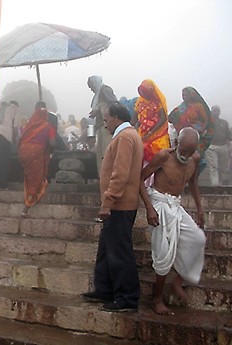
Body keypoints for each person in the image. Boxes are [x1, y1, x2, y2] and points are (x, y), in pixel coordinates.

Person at [81, 102, 142, 313]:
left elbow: (120, 174)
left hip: (120, 205)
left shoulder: (125, 137)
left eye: (106, 120)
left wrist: (108, 201)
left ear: (116, 117)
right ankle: (105, 290)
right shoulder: (126, 135)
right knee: (106, 250)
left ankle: (126, 297)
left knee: (119, 252)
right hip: (118, 204)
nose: (104, 125)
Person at [139, 127, 206, 315]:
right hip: (159, 202)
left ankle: (179, 280)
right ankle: (157, 299)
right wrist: (149, 208)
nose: (185, 155)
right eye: (183, 150)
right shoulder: (163, 156)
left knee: (197, 238)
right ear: (176, 143)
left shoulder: (195, 160)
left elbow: (193, 183)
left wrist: (200, 209)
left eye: (190, 152)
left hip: (176, 205)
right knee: (163, 252)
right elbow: (140, 178)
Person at [17, 101, 56, 217]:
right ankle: (27, 206)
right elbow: (53, 143)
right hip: (37, 152)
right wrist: (49, 151)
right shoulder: (48, 126)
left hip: (23, 153)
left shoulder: (29, 125)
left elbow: (21, 137)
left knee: (29, 177)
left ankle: (32, 196)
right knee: (36, 179)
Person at [168, 86, 215, 173]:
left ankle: (194, 175)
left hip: (196, 135)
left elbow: (206, 120)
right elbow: (171, 117)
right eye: (182, 95)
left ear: (191, 95)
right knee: (182, 156)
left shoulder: (199, 106)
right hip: (184, 135)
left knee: (195, 156)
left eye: (186, 95)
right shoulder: (181, 107)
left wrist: (202, 129)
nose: (184, 96)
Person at [134, 79, 171, 186]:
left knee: (157, 160)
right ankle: (145, 185)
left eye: (146, 91)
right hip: (143, 135)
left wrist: (151, 132)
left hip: (158, 136)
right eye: (142, 91)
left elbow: (163, 118)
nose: (144, 94)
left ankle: (157, 185)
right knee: (143, 160)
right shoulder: (139, 102)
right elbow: (135, 119)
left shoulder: (158, 101)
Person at [87, 75, 119, 177]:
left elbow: (114, 104)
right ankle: (104, 179)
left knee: (107, 154)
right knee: (101, 155)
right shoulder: (97, 94)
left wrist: (99, 111)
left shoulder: (105, 90)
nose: (91, 90)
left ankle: (110, 179)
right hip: (101, 127)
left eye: (91, 86)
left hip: (108, 127)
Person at [0, 100, 20, 190]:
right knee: (3, 161)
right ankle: (1, 185)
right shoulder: (15, 109)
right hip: (5, 135)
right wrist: (14, 138)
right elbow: (15, 127)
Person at [204, 105, 232, 186]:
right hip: (211, 147)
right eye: (214, 110)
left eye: (218, 111)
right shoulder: (207, 122)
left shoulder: (224, 123)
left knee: (223, 168)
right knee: (213, 166)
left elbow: (231, 136)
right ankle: (215, 185)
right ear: (211, 111)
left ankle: (220, 183)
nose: (216, 112)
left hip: (223, 146)